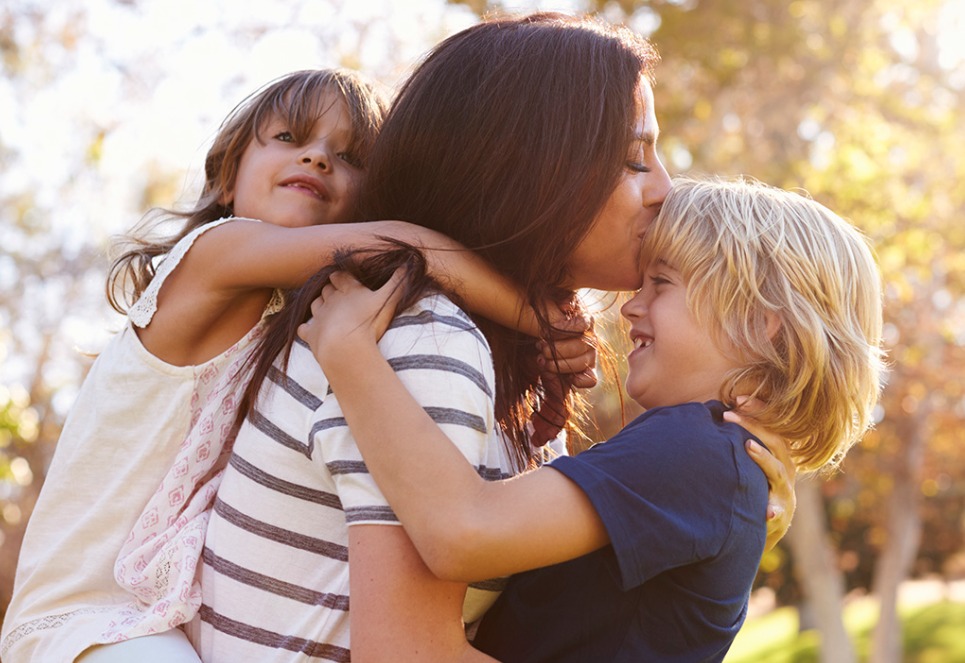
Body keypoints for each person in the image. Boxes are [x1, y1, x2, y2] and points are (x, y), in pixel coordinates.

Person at [192, 14, 797, 663]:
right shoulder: (425, 344)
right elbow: (411, 651)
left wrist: (720, 499)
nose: (662, 190)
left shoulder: (493, 352)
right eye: (631, 159)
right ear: (526, 172)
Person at [0, 68, 537, 663]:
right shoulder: (214, 254)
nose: (317, 159)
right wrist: (542, 320)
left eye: (348, 156)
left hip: (169, 608)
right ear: (228, 178)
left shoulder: (300, 318)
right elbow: (405, 245)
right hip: (85, 615)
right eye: (289, 138)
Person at [300, 175, 885, 662]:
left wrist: (349, 351)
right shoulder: (716, 464)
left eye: (662, 283)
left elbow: (463, 532)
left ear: (761, 324)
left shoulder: (697, 450)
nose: (631, 304)